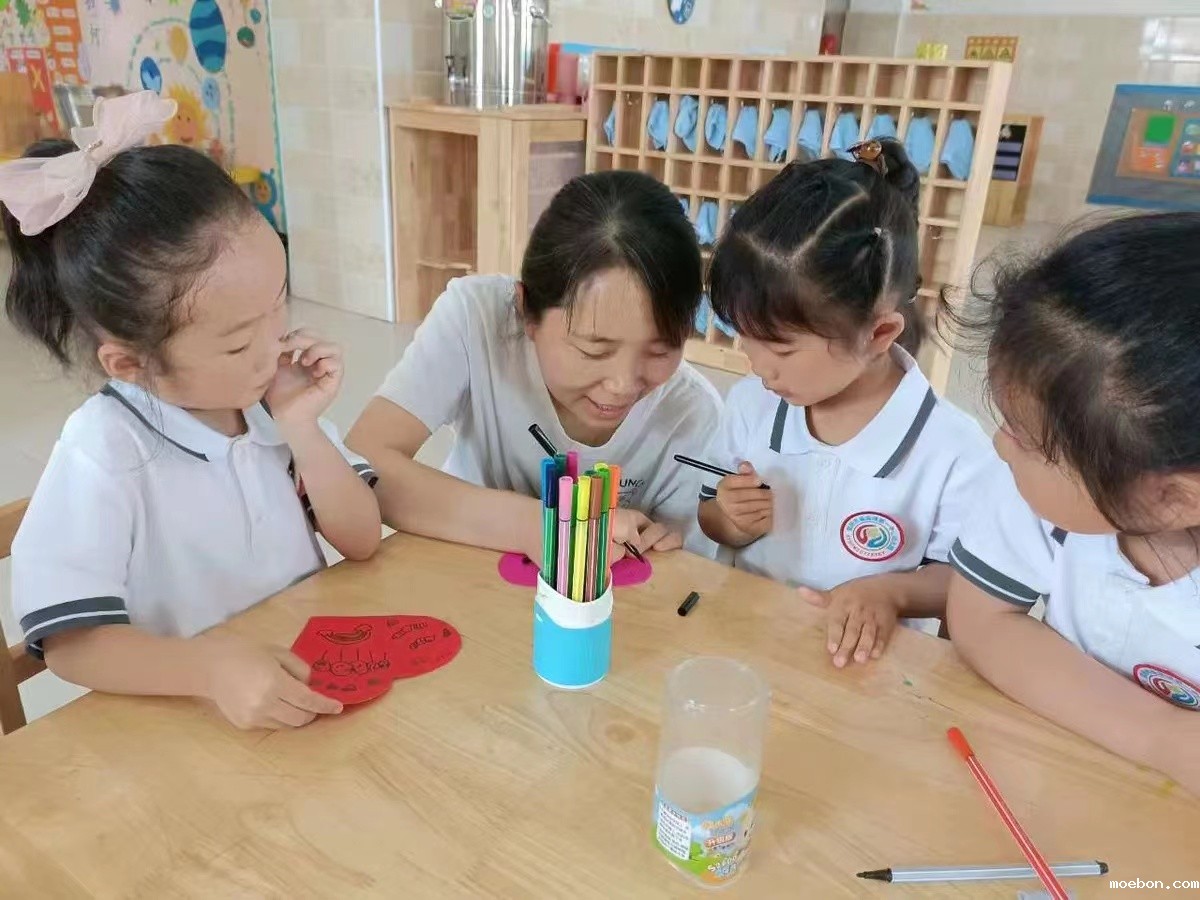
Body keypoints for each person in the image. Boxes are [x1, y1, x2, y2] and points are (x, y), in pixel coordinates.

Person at [0, 92, 381, 731]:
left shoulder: (269, 400)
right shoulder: (104, 448)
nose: (273, 346)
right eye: (237, 342)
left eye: (279, 303)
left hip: (302, 687)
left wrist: (302, 427)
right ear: (130, 363)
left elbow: (363, 540)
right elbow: (71, 646)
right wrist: (209, 670)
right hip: (189, 722)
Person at [697, 140, 991, 667]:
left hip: (868, 669)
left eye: (781, 349)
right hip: (750, 645)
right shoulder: (749, 406)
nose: (758, 366)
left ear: (879, 334)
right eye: (745, 337)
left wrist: (891, 593)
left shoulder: (954, 450)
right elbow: (710, 517)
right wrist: (729, 518)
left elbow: (969, 584)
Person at [947, 214, 1200, 796]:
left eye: (1027, 440)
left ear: (1174, 498)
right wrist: (1160, 738)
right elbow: (982, 620)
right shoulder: (1033, 495)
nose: (999, 445)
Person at [348, 170, 721, 564]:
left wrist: (667, 550)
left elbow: (685, 574)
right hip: (462, 572)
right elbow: (363, 464)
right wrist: (538, 525)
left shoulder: (693, 415)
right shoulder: (477, 319)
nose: (622, 384)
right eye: (593, 350)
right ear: (527, 310)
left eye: (661, 351)